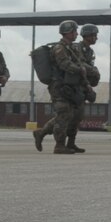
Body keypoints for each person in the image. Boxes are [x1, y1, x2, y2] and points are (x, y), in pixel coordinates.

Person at [35, 20, 88, 152]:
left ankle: (42, 133)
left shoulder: (73, 48)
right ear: (67, 32)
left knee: (72, 115)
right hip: (59, 86)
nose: (76, 33)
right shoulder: (59, 48)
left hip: (71, 86)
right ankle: (59, 145)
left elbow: (81, 63)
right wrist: (79, 69)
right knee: (63, 114)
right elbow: (64, 64)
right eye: (74, 31)